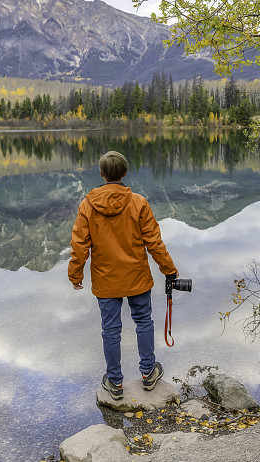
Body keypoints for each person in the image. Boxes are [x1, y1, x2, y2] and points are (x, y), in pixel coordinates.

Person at [68, 150, 178, 400]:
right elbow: (154, 243)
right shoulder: (138, 202)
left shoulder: (87, 206)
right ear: (125, 173)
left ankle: (115, 382)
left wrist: (75, 274)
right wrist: (169, 270)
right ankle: (149, 373)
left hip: (106, 279)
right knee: (144, 321)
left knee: (110, 329)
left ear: (101, 173)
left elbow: (79, 245)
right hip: (137, 276)